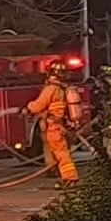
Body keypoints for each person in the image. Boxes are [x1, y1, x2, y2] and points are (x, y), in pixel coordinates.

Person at [27, 61, 78, 189]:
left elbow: (38, 106)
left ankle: (70, 179)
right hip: (61, 126)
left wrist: (28, 107)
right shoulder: (62, 88)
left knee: (61, 154)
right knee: (61, 153)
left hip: (54, 127)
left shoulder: (51, 89)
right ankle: (67, 178)